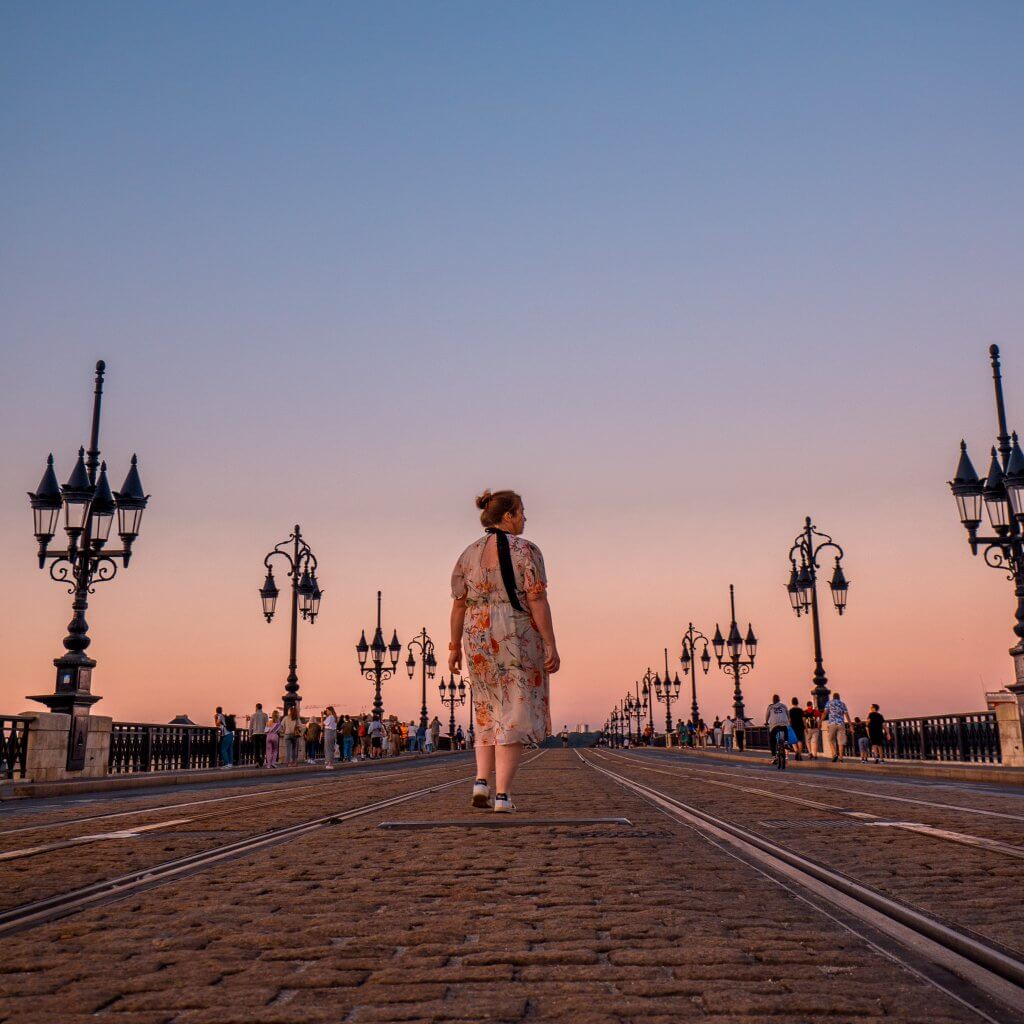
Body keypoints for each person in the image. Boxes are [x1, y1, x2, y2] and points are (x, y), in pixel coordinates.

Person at [450, 489, 558, 814]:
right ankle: (503, 796)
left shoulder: (467, 554)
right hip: (514, 630)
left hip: (476, 632)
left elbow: (458, 605)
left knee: (486, 707)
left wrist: (454, 646)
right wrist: (551, 643)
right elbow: (537, 599)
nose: (525, 517)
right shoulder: (526, 550)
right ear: (508, 516)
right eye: (522, 511)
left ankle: (481, 780)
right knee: (514, 711)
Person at [823, 691, 851, 761]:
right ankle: (841, 757)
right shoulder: (842, 704)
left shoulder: (829, 703)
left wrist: (820, 721)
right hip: (841, 724)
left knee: (830, 739)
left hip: (832, 723)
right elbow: (846, 715)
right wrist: (850, 725)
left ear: (833, 697)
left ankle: (835, 754)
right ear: (839, 697)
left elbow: (825, 713)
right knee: (841, 741)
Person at [765, 694, 790, 765]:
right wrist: (787, 721)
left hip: (774, 725)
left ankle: (774, 757)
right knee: (785, 731)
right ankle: (786, 742)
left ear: (773, 700)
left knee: (772, 740)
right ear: (779, 700)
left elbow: (767, 716)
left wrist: (766, 722)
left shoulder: (770, 707)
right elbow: (788, 715)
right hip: (784, 724)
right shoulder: (784, 706)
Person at [250, 703, 268, 767]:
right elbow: (267, 725)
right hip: (263, 734)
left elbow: (250, 726)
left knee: (256, 749)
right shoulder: (265, 715)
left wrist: (249, 735)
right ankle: (262, 761)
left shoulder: (253, 715)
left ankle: (257, 762)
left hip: (255, 734)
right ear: (261, 707)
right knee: (263, 748)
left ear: (256, 707)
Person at [788, 697, 805, 761]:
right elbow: (803, 719)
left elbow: (789, 720)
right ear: (797, 702)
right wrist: (805, 727)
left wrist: (788, 726)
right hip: (800, 726)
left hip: (793, 727)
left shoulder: (790, 711)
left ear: (792, 703)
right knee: (800, 740)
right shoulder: (800, 710)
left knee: (793, 741)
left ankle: (796, 751)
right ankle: (800, 755)